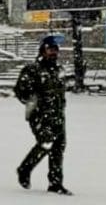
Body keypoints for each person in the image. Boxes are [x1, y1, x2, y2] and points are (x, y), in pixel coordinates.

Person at [14, 35, 72, 195]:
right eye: (50, 49)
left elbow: (60, 92)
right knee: (46, 143)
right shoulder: (32, 70)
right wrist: (33, 101)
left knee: (58, 148)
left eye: (55, 50)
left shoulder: (59, 70)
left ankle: (55, 183)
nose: (53, 53)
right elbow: (20, 91)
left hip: (58, 115)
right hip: (40, 115)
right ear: (42, 50)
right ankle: (24, 169)